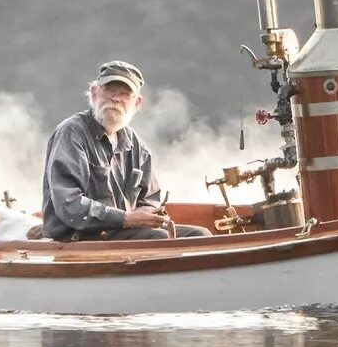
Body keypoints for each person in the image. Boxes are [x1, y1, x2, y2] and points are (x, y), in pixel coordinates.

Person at [39, 60, 210, 242]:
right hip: (78, 237)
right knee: (158, 238)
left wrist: (146, 214)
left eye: (125, 94)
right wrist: (125, 219)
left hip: (119, 231)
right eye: (109, 90)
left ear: (137, 103)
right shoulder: (72, 133)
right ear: (94, 93)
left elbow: (150, 198)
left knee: (200, 235)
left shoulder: (137, 146)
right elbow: (69, 205)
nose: (116, 98)